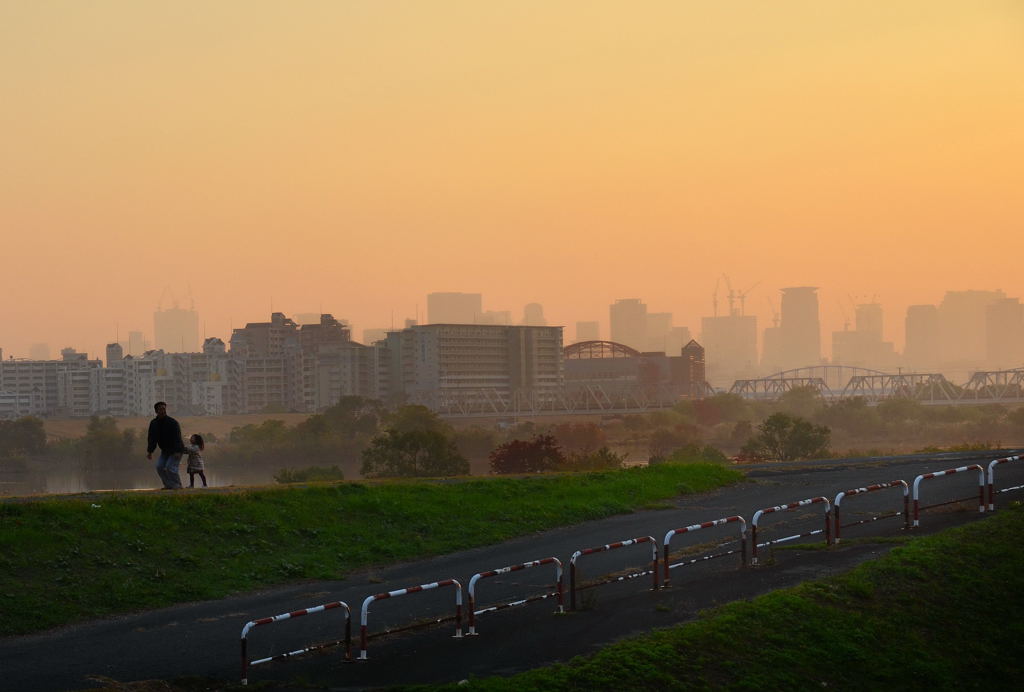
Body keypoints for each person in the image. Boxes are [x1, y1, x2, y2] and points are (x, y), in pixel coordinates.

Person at [147, 401, 185, 489]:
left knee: (170, 467)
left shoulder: (172, 422)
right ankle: (169, 485)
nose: (163, 410)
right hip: (165, 450)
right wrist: (150, 451)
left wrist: (177, 451)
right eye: (160, 409)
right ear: (156, 411)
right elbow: (152, 438)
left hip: (176, 449)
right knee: (159, 467)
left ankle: (177, 486)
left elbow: (177, 438)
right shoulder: (154, 423)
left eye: (164, 408)